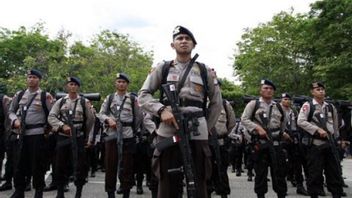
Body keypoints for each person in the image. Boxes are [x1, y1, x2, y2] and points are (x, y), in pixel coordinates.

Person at [138, 25, 222, 198]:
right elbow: (143, 95)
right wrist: (161, 111)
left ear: (194, 44)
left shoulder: (205, 70)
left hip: (197, 130)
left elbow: (216, 103)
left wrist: (205, 124)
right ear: (172, 45)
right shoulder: (163, 68)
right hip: (169, 130)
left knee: (199, 180)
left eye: (187, 39)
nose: (184, 41)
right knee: (167, 182)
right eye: (180, 38)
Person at [8, 69, 54, 198]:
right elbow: (11, 111)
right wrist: (15, 121)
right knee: (19, 164)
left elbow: (52, 115)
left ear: (39, 80)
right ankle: (19, 190)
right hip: (21, 134)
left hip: (38, 134)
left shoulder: (45, 96)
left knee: (37, 165)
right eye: (29, 77)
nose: (31, 79)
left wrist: (48, 132)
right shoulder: (20, 94)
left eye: (34, 77)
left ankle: (38, 191)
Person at [241, 79, 289, 198]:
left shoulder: (278, 106)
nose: (268, 90)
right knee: (261, 174)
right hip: (261, 144)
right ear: (260, 90)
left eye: (271, 89)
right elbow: (244, 119)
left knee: (279, 173)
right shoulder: (253, 104)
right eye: (265, 88)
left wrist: (279, 134)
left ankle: (281, 194)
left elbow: (283, 122)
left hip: (276, 144)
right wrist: (257, 128)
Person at [48, 77, 94, 198]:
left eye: (75, 84)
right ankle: (60, 192)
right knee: (60, 165)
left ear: (78, 87)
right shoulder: (61, 101)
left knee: (79, 166)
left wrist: (85, 134)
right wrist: (62, 126)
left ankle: (78, 192)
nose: (72, 86)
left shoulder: (84, 102)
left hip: (78, 137)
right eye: (70, 84)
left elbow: (90, 120)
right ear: (67, 86)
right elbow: (51, 117)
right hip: (63, 137)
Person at [98, 73, 142, 198]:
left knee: (127, 167)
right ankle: (110, 193)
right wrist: (108, 120)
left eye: (123, 82)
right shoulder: (110, 98)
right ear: (115, 83)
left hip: (128, 136)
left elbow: (138, 117)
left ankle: (126, 193)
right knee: (110, 166)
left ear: (127, 84)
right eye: (119, 81)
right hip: (112, 136)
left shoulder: (133, 99)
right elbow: (101, 114)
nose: (121, 84)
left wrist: (131, 130)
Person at [297, 82, 345, 198]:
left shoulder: (330, 106)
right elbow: (301, 121)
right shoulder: (308, 106)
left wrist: (337, 139)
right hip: (315, 145)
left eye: (322, 89)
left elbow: (335, 125)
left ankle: (336, 194)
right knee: (315, 175)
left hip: (330, 144)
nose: (321, 91)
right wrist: (317, 129)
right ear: (312, 92)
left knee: (335, 173)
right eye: (318, 89)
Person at [207, 80, 236, 198]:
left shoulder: (225, 104)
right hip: (206, 143)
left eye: (217, 86)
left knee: (222, 169)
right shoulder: (202, 103)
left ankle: (223, 193)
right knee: (206, 170)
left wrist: (223, 134)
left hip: (221, 142)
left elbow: (231, 123)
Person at [279, 93, 309, 196]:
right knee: (282, 164)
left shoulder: (294, 111)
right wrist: (282, 133)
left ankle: (300, 186)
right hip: (281, 138)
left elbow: (298, 124)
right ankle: (282, 188)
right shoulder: (276, 110)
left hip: (294, 138)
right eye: (285, 99)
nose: (287, 101)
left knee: (297, 163)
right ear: (281, 100)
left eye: (288, 99)